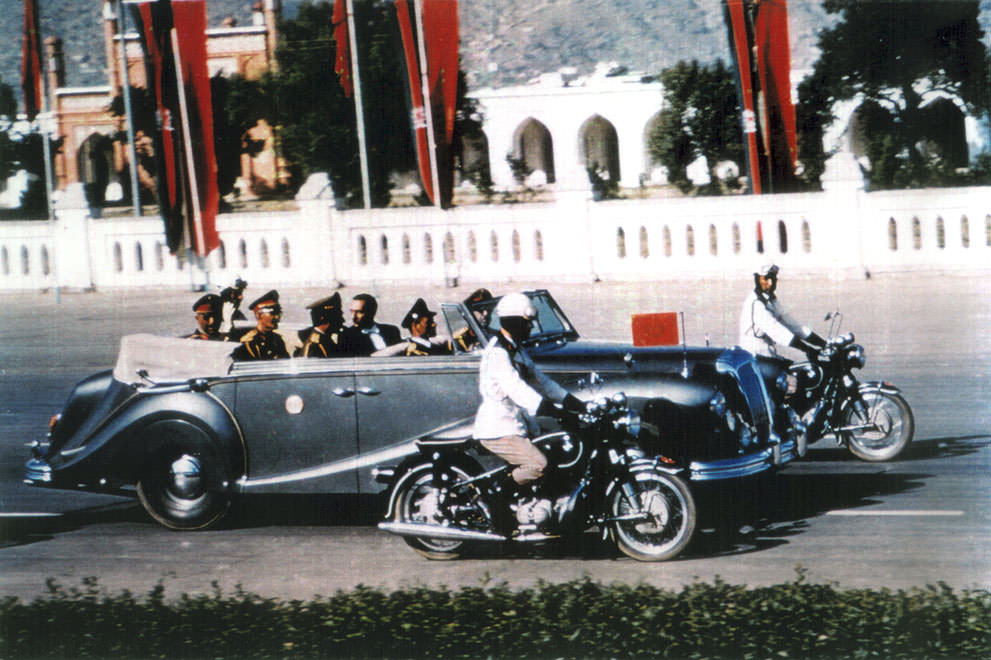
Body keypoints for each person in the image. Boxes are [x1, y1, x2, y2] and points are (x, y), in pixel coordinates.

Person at [472, 292, 583, 495]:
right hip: (499, 429)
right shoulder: (499, 352)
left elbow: (543, 383)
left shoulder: (516, 350)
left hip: (517, 424)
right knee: (539, 465)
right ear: (514, 322)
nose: (531, 327)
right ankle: (497, 493)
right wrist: (555, 412)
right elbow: (518, 390)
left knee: (558, 449)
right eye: (527, 322)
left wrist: (575, 404)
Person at [739, 264, 826, 359]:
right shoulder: (756, 303)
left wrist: (823, 344)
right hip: (753, 356)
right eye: (766, 279)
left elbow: (793, 325)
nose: (771, 283)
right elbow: (777, 331)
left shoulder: (771, 300)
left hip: (768, 353)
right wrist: (807, 349)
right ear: (757, 279)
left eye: (773, 278)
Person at [232, 290, 295, 361]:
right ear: (258, 315)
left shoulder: (277, 340)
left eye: (279, 313)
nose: (277, 317)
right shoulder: (248, 342)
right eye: (273, 313)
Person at [296, 292, 348, 358]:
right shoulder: (315, 345)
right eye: (338, 316)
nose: (343, 320)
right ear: (323, 318)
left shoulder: (323, 341)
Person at [454, 288, 493, 352]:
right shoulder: (460, 338)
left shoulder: (497, 332)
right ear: (470, 311)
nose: (485, 313)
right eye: (480, 309)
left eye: (489, 309)